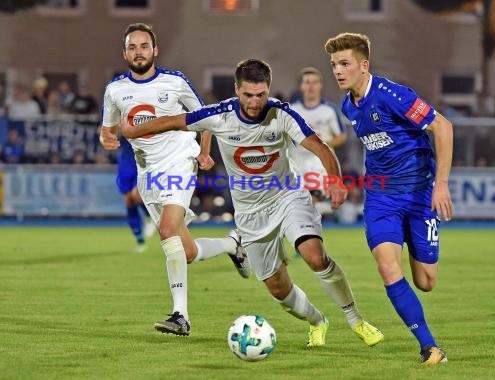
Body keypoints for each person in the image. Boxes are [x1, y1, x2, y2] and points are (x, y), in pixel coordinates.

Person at [120, 58, 384, 348]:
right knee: (277, 287)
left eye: (261, 94)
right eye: (248, 95)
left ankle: (356, 320)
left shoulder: (281, 114)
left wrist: (335, 180)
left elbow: (320, 147)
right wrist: (133, 131)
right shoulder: (219, 115)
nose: (255, 102)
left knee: (314, 255)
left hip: (288, 197)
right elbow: (173, 121)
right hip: (250, 214)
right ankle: (317, 320)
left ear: (268, 89)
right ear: (237, 90)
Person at [99, 23, 250, 336]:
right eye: (132, 47)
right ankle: (232, 244)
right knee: (188, 251)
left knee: (167, 229)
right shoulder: (115, 90)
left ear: (155, 51)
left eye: (144, 46)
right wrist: (107, 138)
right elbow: (108, 128)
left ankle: (181, 316)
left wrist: (204, 152)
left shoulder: (175, 81)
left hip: (180, 160)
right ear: (124, 52)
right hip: (147, 172)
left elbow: (204, 118)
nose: (138, 52)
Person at [324, 32, 453, 365]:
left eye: (344, 64)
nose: (338, 71)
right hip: (381, 197)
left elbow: (443, 127)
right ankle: (430, 347)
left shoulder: (393, 95)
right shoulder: (346, 105)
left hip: (420, 193)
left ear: (364, 65)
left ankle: (412, 235)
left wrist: (441, 184)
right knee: (386, 267)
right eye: (334, 65)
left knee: (426, 281)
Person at [290, 67, 347, 214]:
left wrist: (321, 146)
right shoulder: (293, 109)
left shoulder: (329, 109)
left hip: (320, 160)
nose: (311, 86)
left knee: (313, 196)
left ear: (320, 85)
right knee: (299, 200)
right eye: (307, 82)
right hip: (298, 159)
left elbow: (341, 136)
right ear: (301, 86)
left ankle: (317, 216)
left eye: (314, 82)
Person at [115, 135, 154, 253]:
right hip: (126, 159)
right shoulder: (113, 115)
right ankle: (140, 241)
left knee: (136, 195)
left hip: (144, 157)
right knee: (128, 200)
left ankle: (150, 216)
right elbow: (107, 130)